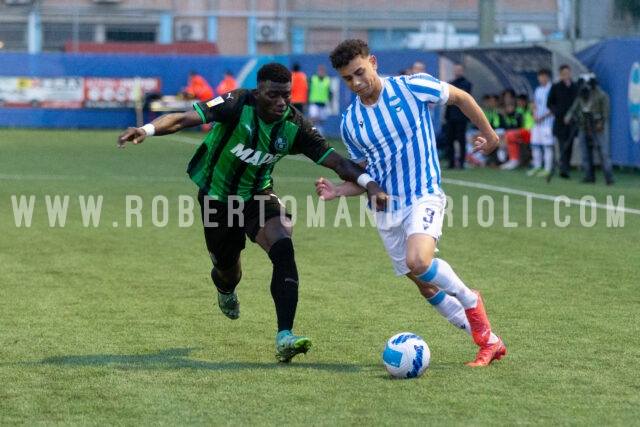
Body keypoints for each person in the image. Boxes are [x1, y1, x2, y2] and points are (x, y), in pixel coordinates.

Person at [117, 62, 387, 363]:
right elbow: (183, 119)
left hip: (257, 195)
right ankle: (225, 288)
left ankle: (285, 336)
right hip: (216, 200)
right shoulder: (236, 103)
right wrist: (146, 129)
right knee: (227, 271)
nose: (281, 102)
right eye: (273, 95)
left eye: (286, 95)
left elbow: (338, 163)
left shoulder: (295, 126)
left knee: (283, 243)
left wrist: (370, 184)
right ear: (258, 93)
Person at [318, 39, 506, 367]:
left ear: (373, 62)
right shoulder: (350, 123)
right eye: (348, 78)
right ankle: (488, 340)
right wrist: (337, 191)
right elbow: (362, 174)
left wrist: (489, 135)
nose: (356, 82)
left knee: (419, 261)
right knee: (424, 285)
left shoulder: (411, 87)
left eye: (360, 72)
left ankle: (471, 301)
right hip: (386, 210)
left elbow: (460, 97)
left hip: (423, 194)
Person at [564, 73, 614, 185]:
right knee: (585, 152)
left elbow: (606, 113)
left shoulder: (602, 96)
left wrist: (601, 123)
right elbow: (574, 108)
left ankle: (609, 176)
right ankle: (589, 175)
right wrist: (568, 116)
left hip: (597, 127)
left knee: (603, 152)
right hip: (583, 127)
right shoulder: (581, 96)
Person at [547, 64, 579, 179]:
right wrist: (558, 112)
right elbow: (550, 103)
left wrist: (572, 116)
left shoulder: (575, 87)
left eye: (568, 73)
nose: (566, 75)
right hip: (560, 122)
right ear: (561, 75)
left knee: (569, 145)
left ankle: (567, 166)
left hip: (572, 122)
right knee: (562, 145)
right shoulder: (556, 87)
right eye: (564, 73)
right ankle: (564, 168)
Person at [526, 68, 554, 178]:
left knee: (547, 146)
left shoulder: (552, 89)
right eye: (540, 76)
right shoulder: (538, 90)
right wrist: (534, 115)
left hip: (547, 122)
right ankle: (537, 166)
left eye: (544, 76)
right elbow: (535, 105)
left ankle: (547, 169)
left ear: (548, 77)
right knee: (535, 145)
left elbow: (553, 107)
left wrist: (542, 117)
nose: (541, 78)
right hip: (537, 123)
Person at [444, 63, 472, 169]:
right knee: (450, 140)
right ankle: (451, 162)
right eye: (456, 69)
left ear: (462, 71)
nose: (457, 71)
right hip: (451, 116)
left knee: (461, 140)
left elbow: (461, 97)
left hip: (461, 116)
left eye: (459, 70)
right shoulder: (450, 83)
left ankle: (461, 162)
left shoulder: (467, 83)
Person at [501, 93, 534, 170]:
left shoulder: (530, 107)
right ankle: (512, 159)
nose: (519, 103)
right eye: (518, 102)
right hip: (524, 132)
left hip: (532, 131)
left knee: (510, 134)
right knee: (508, 134)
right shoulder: (519, 110)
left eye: (520, 101)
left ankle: (514, 159)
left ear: (525, 101)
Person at [308, 65, 331, 135]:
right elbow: (308, 89)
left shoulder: (327, 80)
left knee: (321, 120)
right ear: (318, 72)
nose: (321, 73)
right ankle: (311, 132)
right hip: (314, 102)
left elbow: (329, 91)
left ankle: (320, 133)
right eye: (320, 71)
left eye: (323, 72)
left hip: (323, 103)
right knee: (313, 117)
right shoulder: (313, 79)